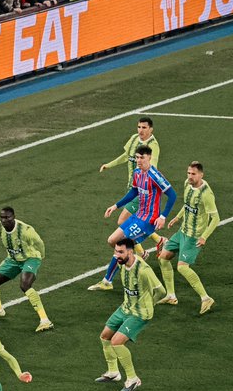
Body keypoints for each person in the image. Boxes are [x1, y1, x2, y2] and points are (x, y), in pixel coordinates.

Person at [89, 145, 176, 291]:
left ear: (149, 157)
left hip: (149, 220)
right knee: (112, 241)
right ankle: (136, 268)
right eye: (137, 157)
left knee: (122, 246)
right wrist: (116, 206)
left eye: (142, 157)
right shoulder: (137, 173)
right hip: (138, 216)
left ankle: (107, 281)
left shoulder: (155, 175)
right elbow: (133, 192)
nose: (139, 160)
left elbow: (172, 195)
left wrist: (163, 216)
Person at [95, 238, 165, 391]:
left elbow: (161, 292)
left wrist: (150, 304)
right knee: (105, 336)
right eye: (115, 251)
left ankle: (133, 379)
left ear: (130, 252)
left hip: (140, 313)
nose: (116, 255)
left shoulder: (143, 270)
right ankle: (113, 372)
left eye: (120, 252)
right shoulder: (122, 263)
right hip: (125, 308)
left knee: (117, 342)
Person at [95, 117, 164, 262]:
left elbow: (154, 166)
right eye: (139, 127)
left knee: (122, 222)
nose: (140, 130)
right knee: (131, 223)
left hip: (143, 191)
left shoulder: (154, 146)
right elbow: (126, 156)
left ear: (151, 129)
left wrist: (148, 183)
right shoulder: (134, 139)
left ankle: (142, 250)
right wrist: (109, 164)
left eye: (144, 127)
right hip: (132, 187)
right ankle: (157, 242)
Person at [158, 161, 219, 314]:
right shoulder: (187, 184)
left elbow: (216, 218)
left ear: (201, 175)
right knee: (163, 257)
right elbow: (187, 204)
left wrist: (204, 237)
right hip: (183, 231)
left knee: (182, 267)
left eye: (193, 174)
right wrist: (178, 218)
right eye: (188, 173)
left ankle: (206, 298)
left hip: (194, 237)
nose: (190, 176)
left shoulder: (206, 194)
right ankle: (171, 295)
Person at [0, 206, 53, 332]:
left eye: (7, 217)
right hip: (13, 260)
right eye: (2, 217)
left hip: (30, 258)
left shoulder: (26, 230)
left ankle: (45, 320)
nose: (4, 220)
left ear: (14, 217)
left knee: (25, 285)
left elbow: (39, 243)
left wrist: (41, 256)